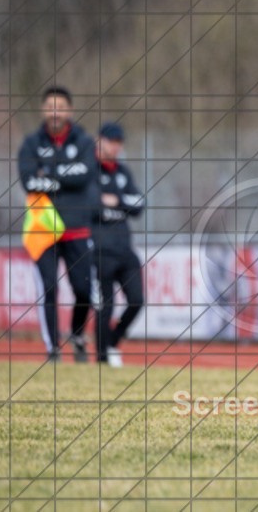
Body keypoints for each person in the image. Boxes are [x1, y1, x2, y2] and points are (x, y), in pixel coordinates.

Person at [17, 86, 98, 362]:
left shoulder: (84, 141)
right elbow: (29, 181)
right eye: (50, 107)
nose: (55, 112)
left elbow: (85, 174)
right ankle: (53, 348)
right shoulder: (31, 143)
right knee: (49, 288)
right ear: (43, 110)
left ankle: (77, 335)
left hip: (77, 229)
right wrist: (64, 174)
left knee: (84, 290)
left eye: (60, 107)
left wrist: (49, 172)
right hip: (44, 231)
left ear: (69, 110)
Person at [92, 122, 145, 367]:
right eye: (111, 141)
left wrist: (117, 200)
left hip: (124, 249)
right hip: (99, 251)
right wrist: (114, 203)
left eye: (118, 142)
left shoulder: (122, 172)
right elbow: (88, 204)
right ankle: (102, 357)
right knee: (105, 306)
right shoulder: (88, 171)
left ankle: (113, 342)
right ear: (98, 140)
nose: (115, 146)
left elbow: (139, 204)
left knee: (136, 300)